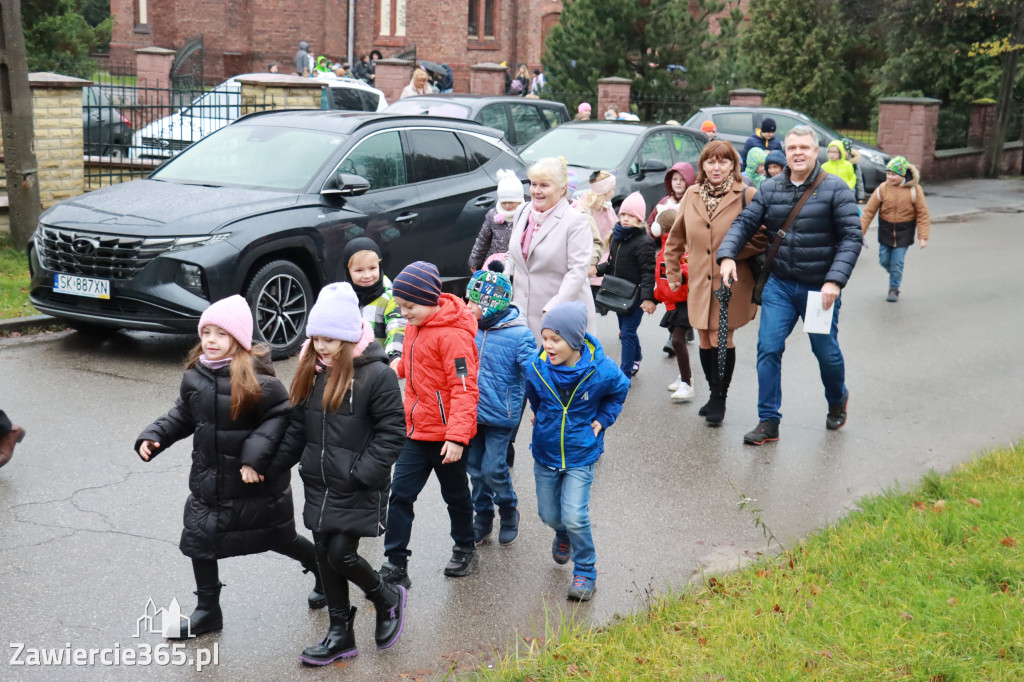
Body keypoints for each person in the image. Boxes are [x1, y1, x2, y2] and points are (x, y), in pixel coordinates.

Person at [135, 295, 324, 639]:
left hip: (253, 481)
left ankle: (323, 573)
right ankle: (208, 611)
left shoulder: (260, 380)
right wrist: (155, 436)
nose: (210, 340)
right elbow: (182, 414)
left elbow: (280, 417)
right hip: (210, 480)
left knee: (279, 537)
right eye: (206, 332)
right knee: (198, 539)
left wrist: (254, 457)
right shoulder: (196, 376)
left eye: (220, 334)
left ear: (237, 339)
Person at [270, 283, 407, 666]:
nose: (321, 346)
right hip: (319, 482)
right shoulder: (310, 371)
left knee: (341, 554)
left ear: (348, 336)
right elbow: (297, 427)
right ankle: (339, 633)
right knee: (324, 556)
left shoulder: (376, 376)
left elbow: (393, 431)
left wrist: (363, 472)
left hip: (359, 483)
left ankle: (386, 597)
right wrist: (275, 466)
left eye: (329, 339)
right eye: (315, 338)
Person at [718, 125, 862, 445]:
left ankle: (837, 398)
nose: (798, 153)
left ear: (815, 152)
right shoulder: (770, 188)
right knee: (768, 348)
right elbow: (744, 223)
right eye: (792, 147)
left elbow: (852, 238)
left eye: (804, 148)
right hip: (780, 285)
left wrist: (834, 281)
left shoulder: (836, 189)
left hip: (818, 289)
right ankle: (768, 421)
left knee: (825, 353)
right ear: (786, 152)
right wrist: (727, 255)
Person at [378, 262, 481, 588]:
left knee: (455, 494)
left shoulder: (453, 337)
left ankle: (466, 547)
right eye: (400, 307)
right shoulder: (416, 325)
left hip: (447, 436)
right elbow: (417, 364)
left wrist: (456, 437)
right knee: (400, 495)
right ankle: (396, 563)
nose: (404, 313)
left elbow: (465, 390)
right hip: (415, 430)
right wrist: (398, 368)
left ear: (430, 299)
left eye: (409, 306)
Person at [524, 301, 630, 601]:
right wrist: (542, 416)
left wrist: (602, 420)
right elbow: (534, 396)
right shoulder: (536, 366)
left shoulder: (601, 369)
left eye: (555, 340)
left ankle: (585, 569)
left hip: (580, 453)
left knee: (575, 516)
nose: (548, 346)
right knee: (549, 515)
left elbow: (619, 390)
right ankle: (562, 534)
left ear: (574, 341)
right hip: (545, 453)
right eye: (544, 338)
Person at [665, 140, 764, 425]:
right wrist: (673, 272)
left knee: (723, 338)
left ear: (733, 164)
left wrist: (729, 252)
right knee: (705, 338)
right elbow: (676, 237)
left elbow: (761, 237)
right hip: (698, 280)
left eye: (723, 161)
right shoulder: (693, 194)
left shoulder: (747, 194)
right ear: (702, 166)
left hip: (732, 282)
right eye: (710, 162)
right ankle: (712, 391)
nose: (716, 167)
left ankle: (720, 396)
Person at [464, 263, 537, 546]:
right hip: (471, 413)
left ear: (491, 305)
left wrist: (541, 408)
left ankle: (508, 508)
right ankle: (482, 517)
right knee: (474, 469)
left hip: (500, 415)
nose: (468, 306)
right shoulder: (470, 329)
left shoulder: (520, 335)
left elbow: (533, 374)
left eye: (473, 301)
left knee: (494, 467)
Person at [507, 157, 597, 341]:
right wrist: (499, 277)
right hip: (521, 315)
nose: (536, 191)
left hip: (559, 317)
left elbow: (578, 270)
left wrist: (554, 305)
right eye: (533, 184)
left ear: (562, 188)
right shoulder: (522, 212)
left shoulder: (575, 221)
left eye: (544, 186)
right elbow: (514, 256)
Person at [593, 192, 656, 378]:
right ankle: (637, 357)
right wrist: (597, 270)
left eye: (631, 216)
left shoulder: (644, 242)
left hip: (635, 296)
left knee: (628, 332)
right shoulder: (617, 236)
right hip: (618, 293)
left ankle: (625, 371)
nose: (626, 219)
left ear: (639, 218)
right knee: (626, 331)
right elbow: (613, 264)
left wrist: (647, 298)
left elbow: (648, 272)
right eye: (623, 215)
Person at [859, 155, 930, 302]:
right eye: (888, 173)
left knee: (897, 262)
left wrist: (923, 236)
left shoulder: (914, 190)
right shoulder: (882, 189)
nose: (890, 177)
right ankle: (895, 275)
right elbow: (868, 212)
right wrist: (859, 232)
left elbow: (923, 214)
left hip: (905, 231)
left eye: (894, 174)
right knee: (884, 260)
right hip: (886, 230)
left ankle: (894, 288)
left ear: (903, 174)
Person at [652, 210, 695, 401]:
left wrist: (680, 276)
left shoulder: (679, 247)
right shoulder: (662, 250)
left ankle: (687, 383)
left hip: (684, 301)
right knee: (677, 343)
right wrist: (654, 299)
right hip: (672, 304)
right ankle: (683, 376)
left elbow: (686, 267)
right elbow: (662, 281)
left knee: (677, 340)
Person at [341, 238, 407, 363]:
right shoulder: (342, 296)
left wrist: (395, 354)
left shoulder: (390, 297)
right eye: (359, 270)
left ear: (380, 266)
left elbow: (397, 326)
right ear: (348, 271)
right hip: (348, 364)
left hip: (378, 363)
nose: (367, 275)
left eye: (372, 268)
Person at [468, 169, 524, 272]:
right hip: (496, 264)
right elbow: (482, 240)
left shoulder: (525, 215)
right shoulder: (492, 215)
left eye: (511, 202)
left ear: (519, 200)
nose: (507, 205)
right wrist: (474, 262)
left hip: (518, 266)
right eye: (504, 202)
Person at [575, 170, 617, 300]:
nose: (613, 193)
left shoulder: (604, 207)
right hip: (596, 261)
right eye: (612, 190)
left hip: (599, 260)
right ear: (604, 191)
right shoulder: (593, 211)